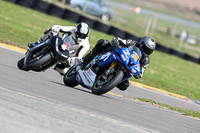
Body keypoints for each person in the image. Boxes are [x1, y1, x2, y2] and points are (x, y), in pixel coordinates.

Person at [82, 36, 156, 91]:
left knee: (125, 85)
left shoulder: (145, 60)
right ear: (141, 44)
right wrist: (116, 42)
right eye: (146, 49)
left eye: (149, 51)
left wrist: (138, 74)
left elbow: (141, 72)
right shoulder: (132, 43)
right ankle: (89, 57)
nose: (147, 52)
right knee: (103, 43)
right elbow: (120, 40)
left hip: (126, 67)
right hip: (118, 54)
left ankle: (109, 81)